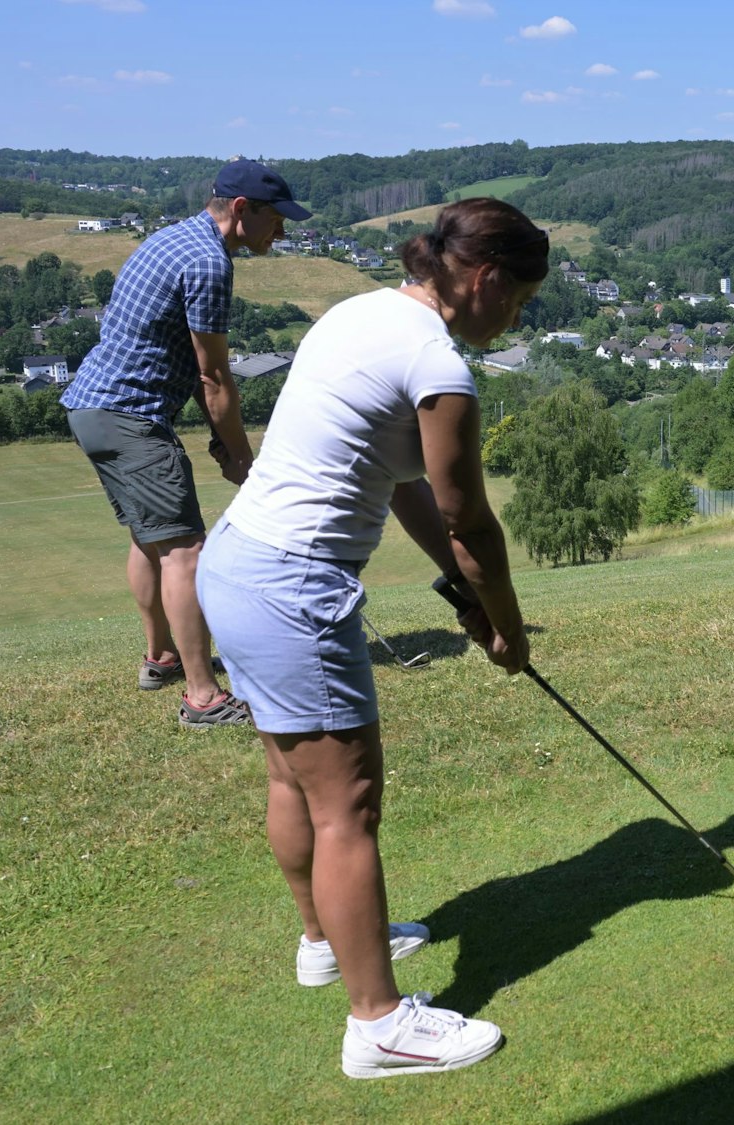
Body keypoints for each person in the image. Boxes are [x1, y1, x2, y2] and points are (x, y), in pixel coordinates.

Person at [194, 197, 543, 1079]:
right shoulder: (440, 365)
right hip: (291, 589)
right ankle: (378, 1023)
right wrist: (507, 629)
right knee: (349, 806)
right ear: (487, 277)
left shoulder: (361, 312)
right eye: (521, 301)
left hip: (233, 563)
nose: (515, 319)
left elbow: (402, 486)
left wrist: (471, 596)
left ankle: (324, 940)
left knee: (291, 773)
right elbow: (471, 520)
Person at [61, 159, 308, 728]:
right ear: (242, 209)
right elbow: (214, 376)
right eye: (277, 219)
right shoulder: (208, 262)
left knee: (152, 541)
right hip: (130, 416)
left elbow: (189, 367)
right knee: (185, 551)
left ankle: (162, 658)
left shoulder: (172, 239)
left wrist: (222, 443)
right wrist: (242, 457)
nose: (283, 232)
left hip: (93, 409)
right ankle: (202, 697)